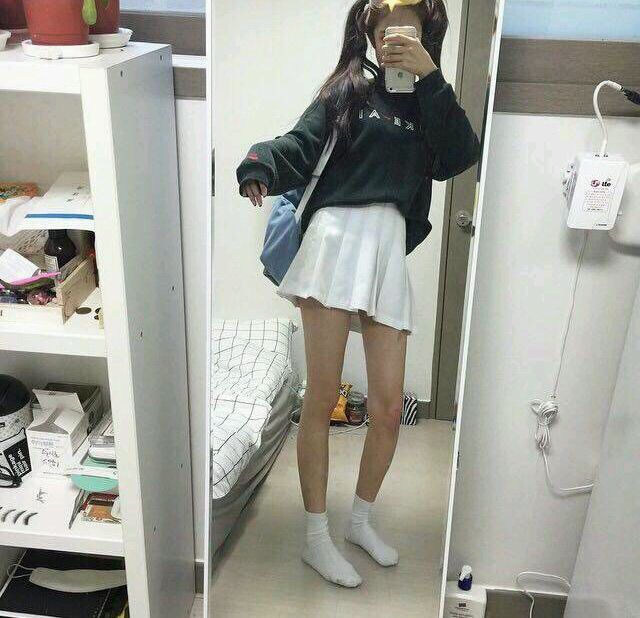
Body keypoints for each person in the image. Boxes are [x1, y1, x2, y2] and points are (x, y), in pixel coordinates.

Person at [236, 0, 479, 588]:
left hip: (386, 252)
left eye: (408, 24)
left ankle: (361, 522)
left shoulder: (429, 103)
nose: (396, 33)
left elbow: (460, 155)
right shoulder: (349, 90)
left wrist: (431, 77)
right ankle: (316, 537)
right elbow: (300, 143)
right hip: (334, 241)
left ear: (426, 31)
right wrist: (259, 164)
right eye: (386, 24)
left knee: (389, 407)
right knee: (321, 396)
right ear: (370, 32)